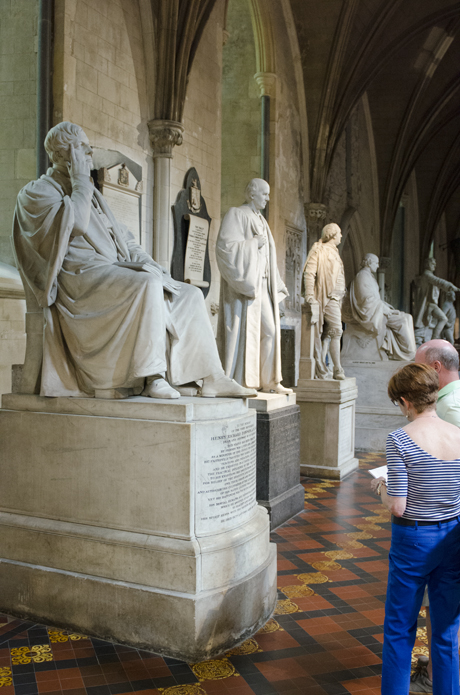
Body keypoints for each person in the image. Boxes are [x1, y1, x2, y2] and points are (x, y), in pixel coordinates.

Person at [13, 122, 256, 400]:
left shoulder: (91, 196)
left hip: (109, 274)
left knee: (187, 293)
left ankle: (213, 377)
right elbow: (76, 224)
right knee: (147, 283)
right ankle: (152, 376)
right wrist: (81, 181)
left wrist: (148, 261)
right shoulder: (38, 192)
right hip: (78, 284)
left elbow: (125, 239)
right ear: (59, 154)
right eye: (81, 146)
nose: (89, 150)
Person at [370, 362, 460, 695]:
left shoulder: (400, 439)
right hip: (452, 536)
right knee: (447, 630)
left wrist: (382, 487)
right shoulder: (458, 435)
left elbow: (397, 505)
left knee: (399, 628)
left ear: (406, 401)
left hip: (413, 538)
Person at [410, 339, 460, 691]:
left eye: (421, 368)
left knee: (445, 613)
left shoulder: (450, 410)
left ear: (437, 369)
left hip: (446, 524)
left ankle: (437, 676)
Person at [216, 178, 292, 394]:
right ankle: (242, 381)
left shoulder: (262, 221)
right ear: (252, 194)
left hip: (263, 286)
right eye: (264, 194)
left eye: (268, 194)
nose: (268, 198)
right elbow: (225, 249)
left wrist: (275, 284)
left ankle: (269, 381)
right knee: (252, 332)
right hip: (248, 287)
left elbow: (269, 256)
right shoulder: (236, 214)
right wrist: (252, 245)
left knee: (270, 331)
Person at [342, 253, 416, 360]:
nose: (377, 266)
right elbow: (365, 300)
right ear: (369, 263)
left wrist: (386, 307)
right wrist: (383, 309)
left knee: (408, 317)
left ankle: (410, 352)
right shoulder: (362, 276)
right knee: (402, 321)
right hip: (369, 313)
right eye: (376, 263)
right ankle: (407, 353)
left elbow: (374, 299)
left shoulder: (369, 276)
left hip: (376, 310)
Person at [302, 223, 346, 379]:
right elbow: (309, 273)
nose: (341, 236)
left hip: (336, 298)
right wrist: (310, 296)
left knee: (328, 333)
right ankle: (337, 369)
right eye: (339, 233)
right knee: (337, 330)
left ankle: (324, 366)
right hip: (326, 297)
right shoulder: (319, 250)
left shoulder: (334, 252)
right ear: (332, 234)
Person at [412, 258, 459, 346]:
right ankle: (434, 339)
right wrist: (450, 286)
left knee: (443, 319)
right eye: (432, 263)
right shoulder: (427, 274)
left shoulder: (429, 275)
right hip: (427, 304)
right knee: (443, 318)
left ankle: (434, 339)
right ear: (427, 264)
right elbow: (438, 281)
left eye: (435, 263)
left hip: (431, 304)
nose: (435, 265)